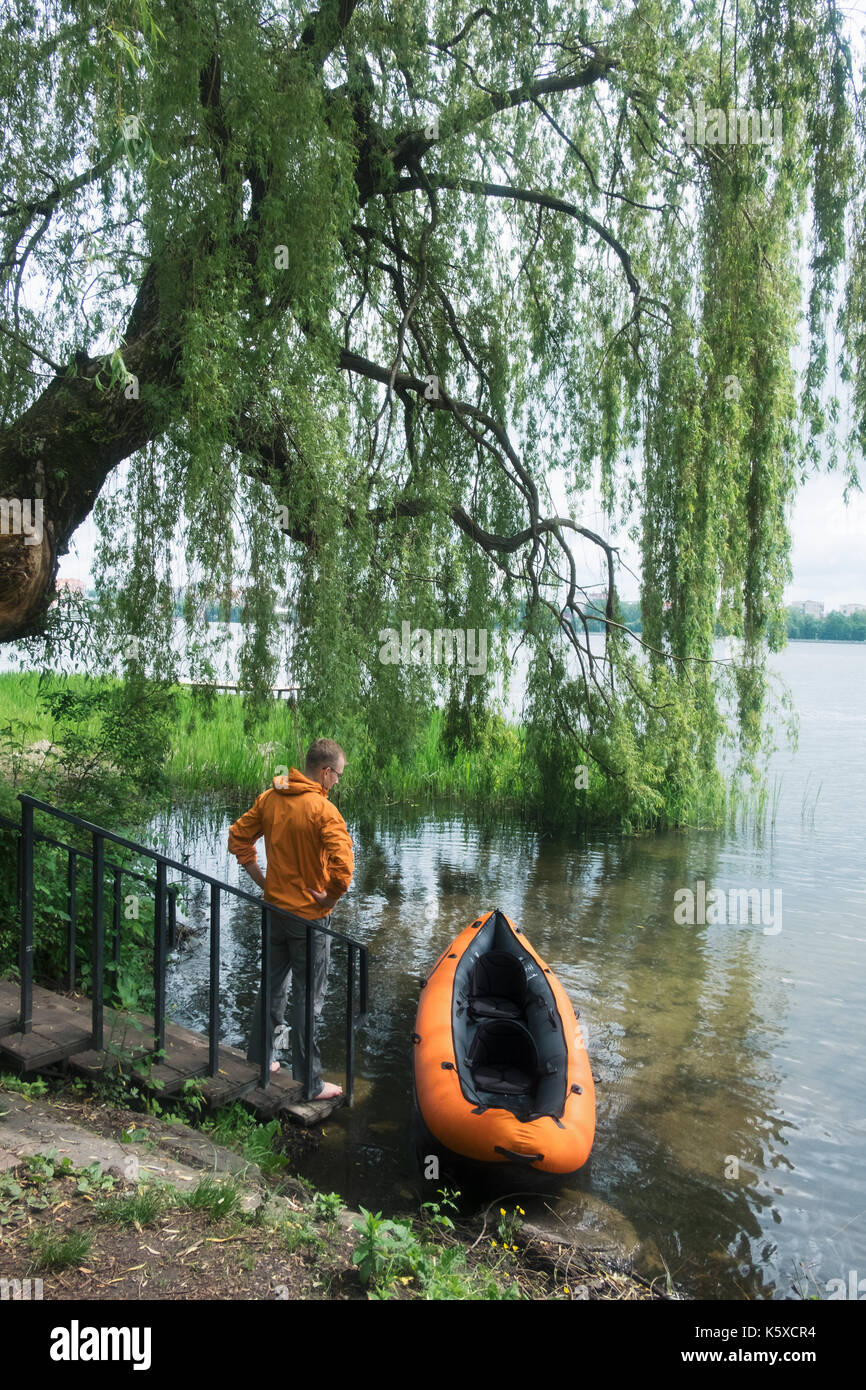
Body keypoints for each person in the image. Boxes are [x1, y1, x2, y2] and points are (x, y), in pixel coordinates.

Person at [227, 738, 354, 1100]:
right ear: (326, 772)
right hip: (309, 919)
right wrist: (329, 896)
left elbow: (238, 837)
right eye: (338, 776)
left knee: (272, 985)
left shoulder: (272, 797)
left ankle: (263, 1059)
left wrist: (263, 881)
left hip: (274, 912)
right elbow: (344, 868)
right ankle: (310, 1083)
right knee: (307, 997)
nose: (337, 782)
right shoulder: (322, 810)